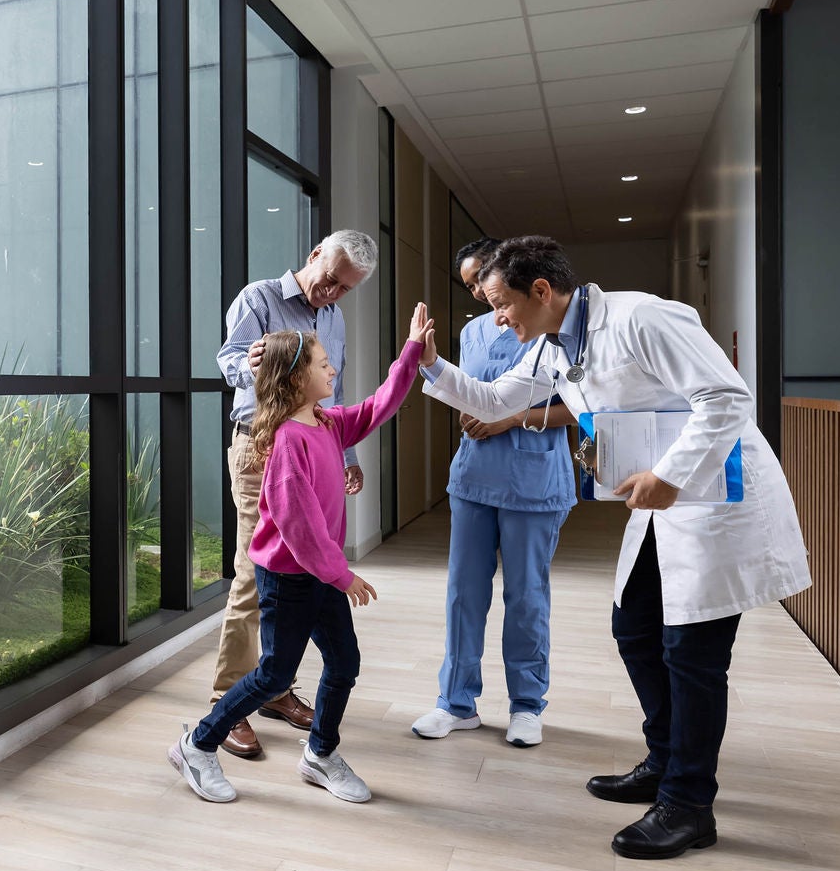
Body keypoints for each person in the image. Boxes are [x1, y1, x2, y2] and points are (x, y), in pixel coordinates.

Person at [416, 236, 810, 860]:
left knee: (693, 655)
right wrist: (432, 365)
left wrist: (671, 474)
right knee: (634, 628)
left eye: (500, 304)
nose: (496, 319)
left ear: (540, 291)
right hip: (661, 505)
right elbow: (493, 401)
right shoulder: (551, 348)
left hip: (714, 497)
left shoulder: (642, 317)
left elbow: (728, 398)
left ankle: (688, 803)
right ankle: (664, 759)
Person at [171, 303, 435, 805]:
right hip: (290, 578)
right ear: (294, 379)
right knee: (274, 673)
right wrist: (342, 576)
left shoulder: (327, 424)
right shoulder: (289, 442)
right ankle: (198, 744)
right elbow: (300, 528)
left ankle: (320, 753)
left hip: (319, 575)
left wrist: (412, 352)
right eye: (321, 363)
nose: (332, 368)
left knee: (343, 664)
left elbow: (380, 405)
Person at [208, 230, 378, 759]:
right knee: (253, 576)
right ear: (313, 257)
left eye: (344, 290)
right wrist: (252, 365)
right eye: (330, 281)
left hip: (313, 447)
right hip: (260, 450)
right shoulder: (258, 299)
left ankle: (275, 688)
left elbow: (336, 387)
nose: (332, 294)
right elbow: (228, 360)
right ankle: (227, 700)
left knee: (302, 574)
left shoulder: (333, 318)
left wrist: (346, 454)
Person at [411, 238, 576, 749]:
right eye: (470, 287)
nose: (483, 295)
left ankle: (527, 705)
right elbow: (473, 392)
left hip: (533, 479)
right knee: (464, 593)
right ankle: (456, 702)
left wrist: (511, 420)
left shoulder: (550, 327)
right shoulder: (473, 330)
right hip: (474, 477)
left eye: (486, 280)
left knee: (526, 596)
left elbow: (581, 404)